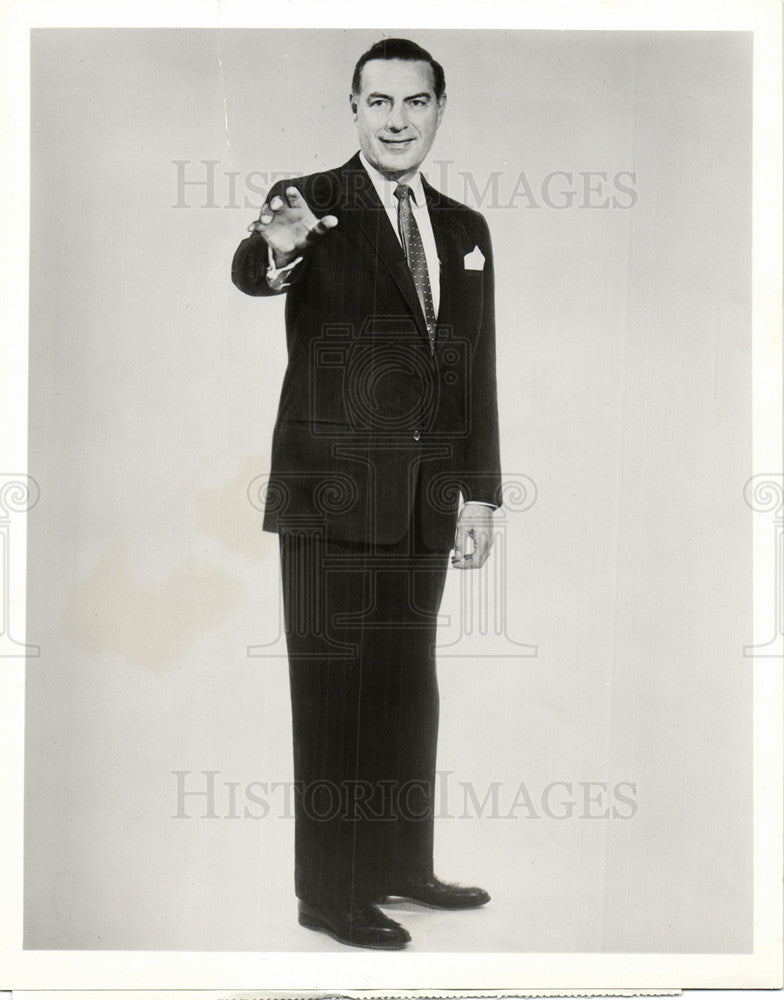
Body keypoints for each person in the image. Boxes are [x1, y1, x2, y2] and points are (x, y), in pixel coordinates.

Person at [232, 37, 502, 950]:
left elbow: (475, 374)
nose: (396, 119)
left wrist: (479, 495)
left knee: (404, 688)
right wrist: (273, 255)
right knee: (333, 693)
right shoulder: (313, 203)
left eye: (414, 103)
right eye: (378, 102)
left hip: (427, 498)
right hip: (331, 496)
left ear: (438, 109)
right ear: (353, 109)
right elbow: (254, 265)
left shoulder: (465, 230)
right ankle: (330, 892)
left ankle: (398, 866)